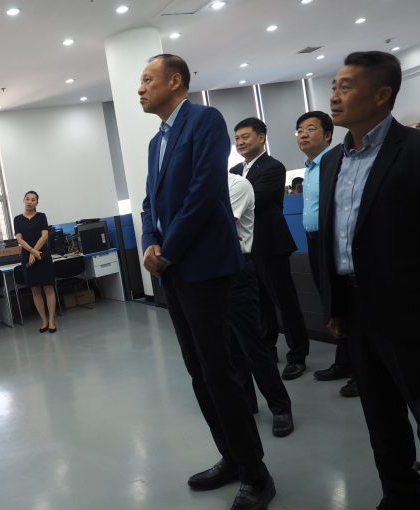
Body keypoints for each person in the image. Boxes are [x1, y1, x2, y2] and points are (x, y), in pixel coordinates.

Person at [318, 51, 420, 510]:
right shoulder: (334, 162)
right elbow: (334, 241)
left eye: (346, 86)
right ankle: (398, 498)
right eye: (333, 86)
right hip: (357, 313)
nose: (334, 96)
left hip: (415, 318)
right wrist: (335, 305)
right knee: (381, 421)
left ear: (382, 95)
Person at [139, 54, 274, 510]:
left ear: (175, 81)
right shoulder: (156, 142)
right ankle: (231, 457)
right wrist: (149, 243)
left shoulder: (205, 120)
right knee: (198, 369)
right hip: (174, 272)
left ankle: (256, 473)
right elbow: (149, 202)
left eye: (148, 80)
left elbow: (203, 192)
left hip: (204, 267)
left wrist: (168, 249)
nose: (140, 88)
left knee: (220, 370)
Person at [231, 118, 310, 380]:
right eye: (237, 138)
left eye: (245, 137)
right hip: (246, 247)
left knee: (284, 302)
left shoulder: (273, 167)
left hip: (271, 245)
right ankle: (267, 348)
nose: (240, 142)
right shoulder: (234, 170)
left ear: (262, 137)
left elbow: (255, 199)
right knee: (259, 303)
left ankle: (298, 354)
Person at [225, 171, 294, 437]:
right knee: (230, 345)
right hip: (212, 274)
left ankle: (280, 406)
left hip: (237, 268)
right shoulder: (198, 189)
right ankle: (247, 402)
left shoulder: (237, 185)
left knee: (252, 344)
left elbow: (223, 225)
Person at [295, 110, 358, 398]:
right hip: (313, 241)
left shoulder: (337, 161)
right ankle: (344, 362)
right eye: (300, 130)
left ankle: (360, 372)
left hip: (332, 240)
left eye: (310, 129)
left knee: (345, 303)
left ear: (329, 135)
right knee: (331, 304)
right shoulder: (309, 168)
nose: (303, 134)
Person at [13, 191, 57, 332]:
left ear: (37, 202)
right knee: (35, 290)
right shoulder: (17, 219)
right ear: (24, 200)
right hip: (27, 256)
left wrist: (35, 252)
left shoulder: (41, 216)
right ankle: (44, 320)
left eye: (33, 200)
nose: (30, 202)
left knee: (48, 288)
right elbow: (19, 239)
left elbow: (45, 236)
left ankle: (52, 320)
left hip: (43, 256)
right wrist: (32, 252)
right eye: (27, 199)